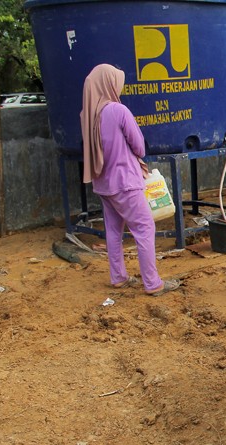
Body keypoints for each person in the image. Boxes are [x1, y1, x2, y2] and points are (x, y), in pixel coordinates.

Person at [80, 63, 180, 296]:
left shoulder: (88, 114)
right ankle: (153, 283)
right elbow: (139, 147)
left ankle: (118, 277)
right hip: (124, 181)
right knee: (144, 227)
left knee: (113, 230)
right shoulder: (118, 110)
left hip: (103, 184)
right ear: (109, 84)